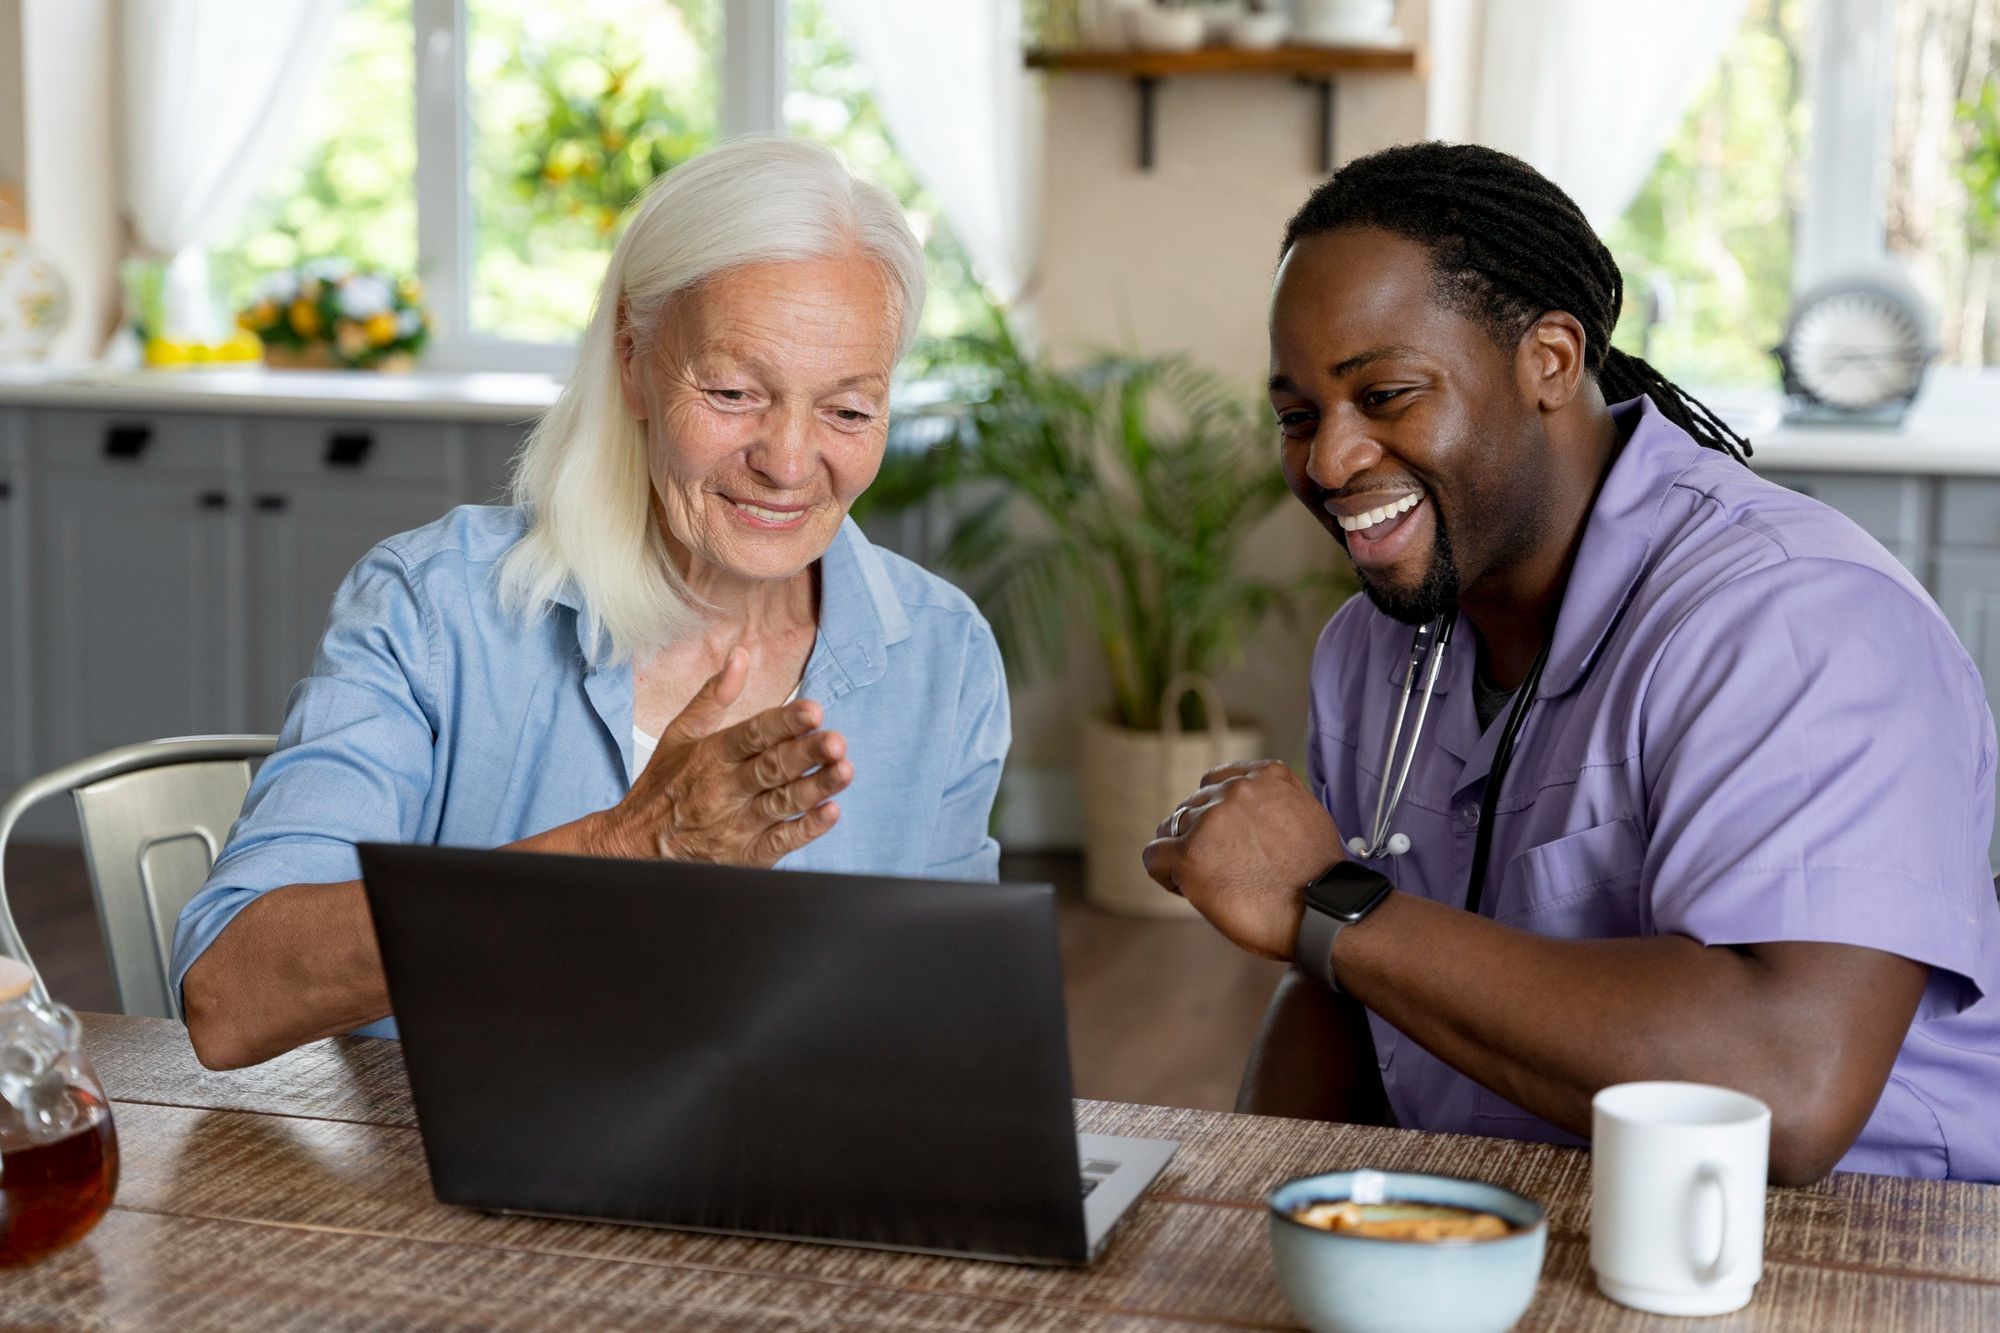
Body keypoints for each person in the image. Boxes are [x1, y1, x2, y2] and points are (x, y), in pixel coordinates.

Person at [1144, 142, 2000, 1185]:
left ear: (1548, 359)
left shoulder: (1795, 616)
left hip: (1853, 1242)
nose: (1327, 461)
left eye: (1385, 395)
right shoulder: (1370, 649)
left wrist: (1331, 902)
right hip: (1503, 1213)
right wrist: (1253, 1203)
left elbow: (1785, 1088)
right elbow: (1339, 983)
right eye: (1295, 416)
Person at [175, 138, 1009, 1070]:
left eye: (849, 411)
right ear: (632, 361)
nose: (786, 459)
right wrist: (634, 845)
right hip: (440, 1195)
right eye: (734, 392)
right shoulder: (435, 607)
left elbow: (948, 1030)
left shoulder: (946, 653)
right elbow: (229, 992)